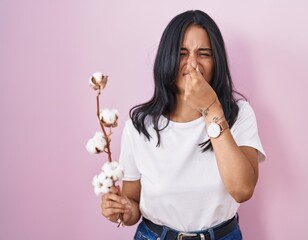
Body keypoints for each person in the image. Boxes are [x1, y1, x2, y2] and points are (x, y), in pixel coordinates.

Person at [101, 10, 265, 240]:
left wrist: (211, 109)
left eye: (204, 54)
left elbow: (242, 190)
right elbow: (134, 204)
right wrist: (124, 210)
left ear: (216, 61)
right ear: (167, 58)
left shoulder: (239, 115)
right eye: (182, 53)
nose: (193, 64)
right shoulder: (139, 127)